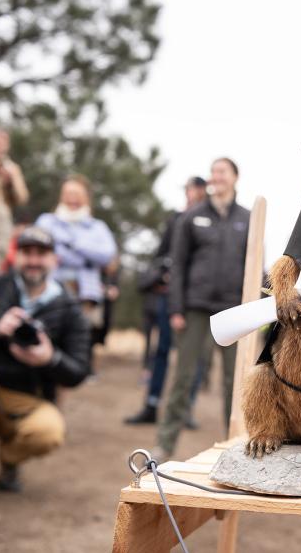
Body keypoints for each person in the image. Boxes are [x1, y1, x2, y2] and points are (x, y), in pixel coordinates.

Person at [0, 226, 90, 499]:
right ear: (15, 256)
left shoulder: (70, 309)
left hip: (30, 399)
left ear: (54, 260)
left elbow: (80, 371)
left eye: (41, 254)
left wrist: (50, 358)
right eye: (27, 253)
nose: (33, 260)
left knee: (50, 432)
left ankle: (9, 460)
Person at [154, 159, 249, 459]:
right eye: (214, 171)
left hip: (233, 310)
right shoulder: (192, 217)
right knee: (183, 377)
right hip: (195, 309)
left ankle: (237, 445)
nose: (216, 176)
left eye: (223, 171)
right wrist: (176, 308)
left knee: (234, 382)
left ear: (235, 177)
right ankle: (165, 444)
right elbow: (178, 265)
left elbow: (253, 265)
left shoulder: (248, 218)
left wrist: (254, 309)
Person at [125, 176, 207, 427]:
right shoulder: (175, 219)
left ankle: (185, 410)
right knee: (161, 350)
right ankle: (151, 404)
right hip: (169, 295)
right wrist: (161, 274)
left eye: (194, 188)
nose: (190, 193)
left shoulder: (210, 221)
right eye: (188, 188)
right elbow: (161, 254)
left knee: (194, 357)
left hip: (195, 298)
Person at [35, 174, 116, 372]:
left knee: (78, 336)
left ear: (86, 198)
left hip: (84, 293)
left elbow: (107, 254)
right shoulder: (47, 221)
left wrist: (71, 243)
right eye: (68, 193)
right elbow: (41, 247)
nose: (72, 197)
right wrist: (86, 258)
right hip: (50, 288)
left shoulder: (97, 227)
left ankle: (73, 373)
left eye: (76, 193)